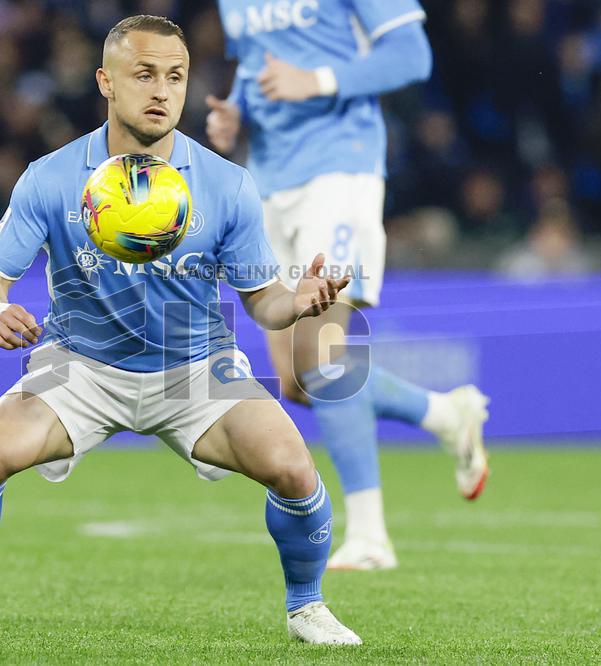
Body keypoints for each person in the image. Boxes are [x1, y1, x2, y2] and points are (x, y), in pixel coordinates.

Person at [0, 15, 364, 646]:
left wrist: (299, 300)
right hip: (78, 363)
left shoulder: (226, 185)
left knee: (295, 472)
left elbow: (262, 303)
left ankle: (307, 606)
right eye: (144, 74)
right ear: (105, 82)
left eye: (175, 76)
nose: (162, 91)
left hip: (197, 365)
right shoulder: (53, 177)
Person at [207, 0, 490, 571]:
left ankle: (369, 537)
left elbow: (412, 54)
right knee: (298, 382)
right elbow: (256, 61)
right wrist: (235, 113)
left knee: (327, 362)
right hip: (268, 180)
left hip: (339, 170)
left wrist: (317, 80)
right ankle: (444, 413)